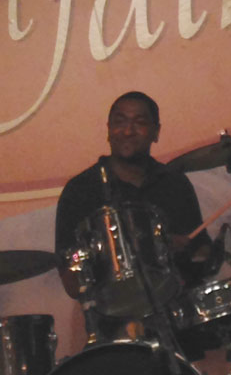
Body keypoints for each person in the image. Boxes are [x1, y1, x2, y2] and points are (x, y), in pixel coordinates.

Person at [55, 91, 215, 347]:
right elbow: (70, 278)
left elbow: (203, 253)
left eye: (139, 122)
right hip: (112, 331)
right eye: (119, 122)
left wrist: (182, 249)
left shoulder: (174, 183)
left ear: (156, 132)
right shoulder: (80, 191)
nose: (128, 131)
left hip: (177, 324)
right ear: (108, 130)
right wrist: (97, 257)